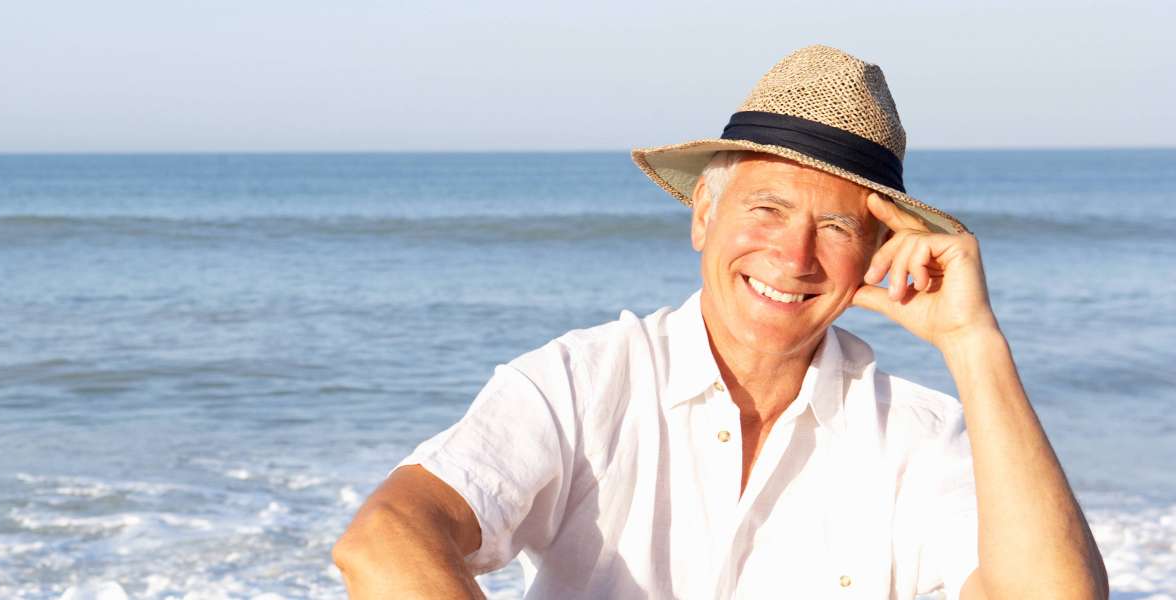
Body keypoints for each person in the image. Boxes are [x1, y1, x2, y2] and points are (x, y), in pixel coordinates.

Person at [332, 45, 1108, 599]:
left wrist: (974, 346)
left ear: (877, 249)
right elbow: (387, 538)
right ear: (703, 213)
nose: (794, 255)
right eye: (766, 209)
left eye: (836, 227)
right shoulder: (582, 381)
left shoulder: (915, 436)